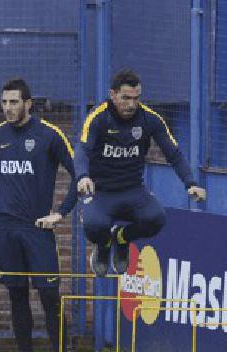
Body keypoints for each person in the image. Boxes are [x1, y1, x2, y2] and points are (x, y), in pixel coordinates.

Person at [0, 78, 78, 352]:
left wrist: (60, 213)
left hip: (37, 228)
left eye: (14, 102)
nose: (8, 108)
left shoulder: (49, 135)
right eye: (4, 102)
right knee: (16, 294)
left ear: (28, 103)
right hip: (6, 227)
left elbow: (78, 174)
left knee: (49, 294)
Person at [75, 69, 207, 276]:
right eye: (125, 98)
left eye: (136, 98)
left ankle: (121, 238)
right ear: (113, 95)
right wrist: (83, 177)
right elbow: (82, 150)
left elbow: (173, 152)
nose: (131, 104)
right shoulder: (98, 119)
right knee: (94, 225)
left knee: (156, 219)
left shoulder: (150, 119)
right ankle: (103, 245)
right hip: (102, 192)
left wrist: (190, 183)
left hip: (133, 189)